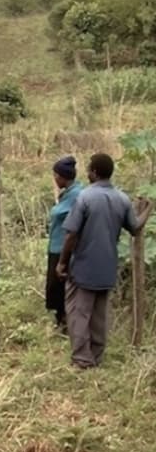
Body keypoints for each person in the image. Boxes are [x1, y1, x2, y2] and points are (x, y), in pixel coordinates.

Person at [57, 153, 153, 369]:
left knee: (79, 312)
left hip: (83, 266)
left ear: (94, 172)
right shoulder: (122, 199)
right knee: (100, 313)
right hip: (108, 266)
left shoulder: (84, 197)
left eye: (89, 169)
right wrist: (147, 209)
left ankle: (82, 359)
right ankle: (96, 356)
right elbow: (135, 228)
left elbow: (71, 234)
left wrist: (62, 262)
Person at [46, 156, 82, 330]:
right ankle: (60, 320)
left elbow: (62, 215)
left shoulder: (76, 194)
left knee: (60, 285)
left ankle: (65, 321)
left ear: (63, 177)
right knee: (55, 285)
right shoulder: (69, 193)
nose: (54, 179)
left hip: (64, 247)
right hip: (56, 244)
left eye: (56, 175)